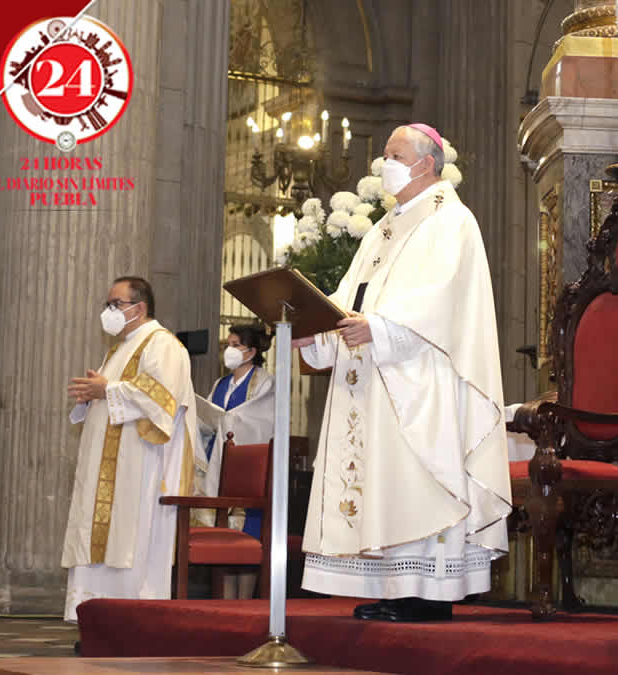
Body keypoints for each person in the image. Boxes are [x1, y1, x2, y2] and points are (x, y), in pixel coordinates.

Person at [292, 123, 511, 622]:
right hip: (373, 378)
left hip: (422, 379)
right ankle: (396, 586)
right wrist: (317, 333)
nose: (383, 165)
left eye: (393, 155)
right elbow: (349, 301)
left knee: (418, 479)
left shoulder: (451, 220)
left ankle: (428, 594)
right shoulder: (382, 229)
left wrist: (383, 329)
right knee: (386, 484)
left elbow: (443, 299)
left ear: (426, 164)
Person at [63, 276, 206, 621]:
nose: (108, 311)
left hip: (142, 466)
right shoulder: (121, 347)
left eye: (116, 304)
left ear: (139, 308)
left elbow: (161, 397)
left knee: (132, 540)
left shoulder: (163, 344)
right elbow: (114, 392)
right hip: (109, 466)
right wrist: (93, 395)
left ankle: (131, 621)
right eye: (107, 304)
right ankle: (98, 620)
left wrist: (107, 390)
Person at [197, 322, 274, 599]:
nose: (228, 350)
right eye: (227, 345)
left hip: (248, 468)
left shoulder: (264, 381)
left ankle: (246, 601)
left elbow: (262, 419)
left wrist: (229, 420)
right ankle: (227, 601)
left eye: (235, 345)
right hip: (218, 461)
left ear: (251, 351)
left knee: (247, 536)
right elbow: (208, 418)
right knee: (224, 538)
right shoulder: (221, 383)